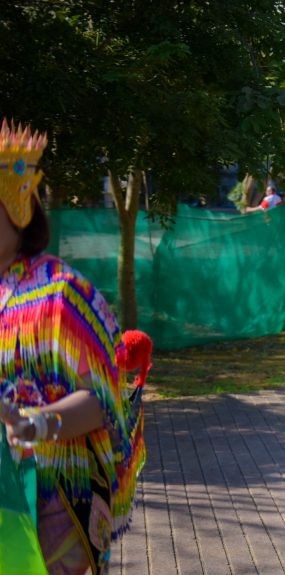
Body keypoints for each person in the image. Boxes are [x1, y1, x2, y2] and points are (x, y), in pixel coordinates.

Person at [0, 121, 145, 573]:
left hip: (53, 499)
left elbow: (102, 401)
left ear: (18, 208)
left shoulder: (62, 294)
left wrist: (36, 424)